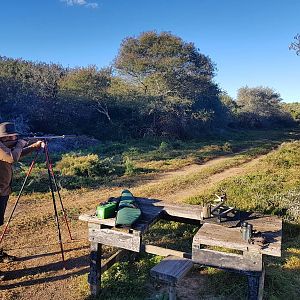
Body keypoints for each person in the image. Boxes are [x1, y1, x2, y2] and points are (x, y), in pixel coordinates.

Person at [0, 122, 44, 279]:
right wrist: (20, 143)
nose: (15, 138)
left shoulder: (5, 146)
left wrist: (33, 146)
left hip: (3, 191)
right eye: (12, 136)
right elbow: (12, 158)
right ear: (5, 137)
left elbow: (16, 154)